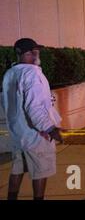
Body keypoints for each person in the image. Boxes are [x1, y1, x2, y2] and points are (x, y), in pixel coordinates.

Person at [1, 38, 63, 200]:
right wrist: (50, 128)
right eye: (36, 51)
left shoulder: (10, 73)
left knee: (17, 169)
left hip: (18, 134)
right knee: (41, 170)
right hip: (36, 135)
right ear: (30, 53)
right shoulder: (32, 73)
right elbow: (34, 107)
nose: (38, 54)